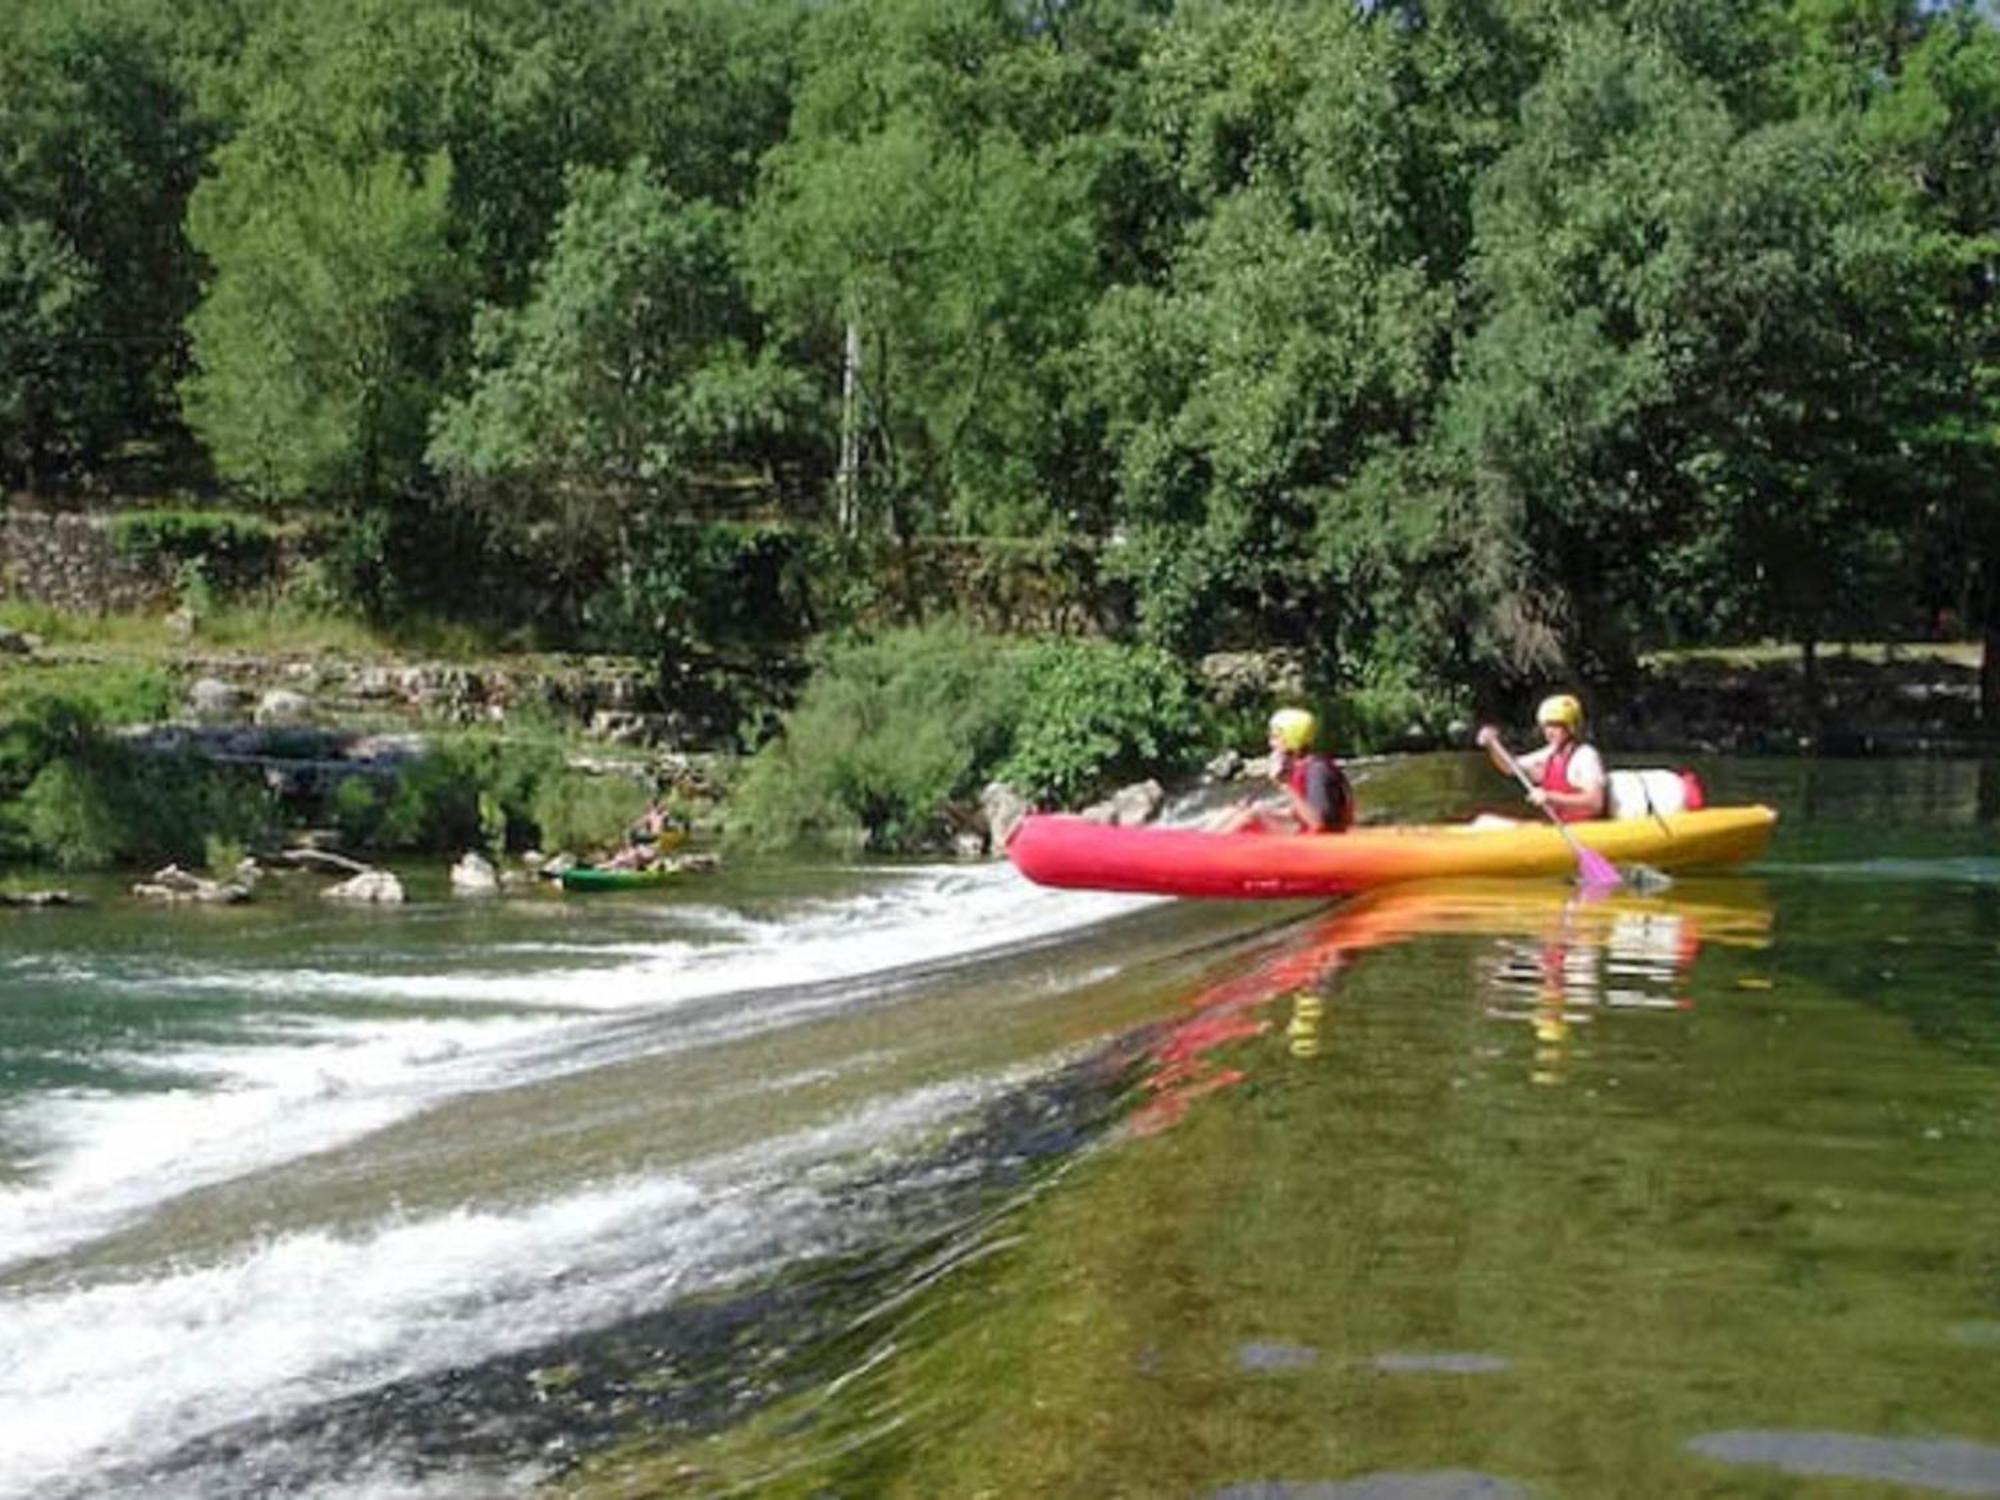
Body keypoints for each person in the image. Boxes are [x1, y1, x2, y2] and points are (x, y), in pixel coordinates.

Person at [1215, 708, 1353, 835]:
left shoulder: (1317, 770)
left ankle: (1207, 852)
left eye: (1275, 737)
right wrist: (1263, 809)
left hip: (1324, 844)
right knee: (1237, 812)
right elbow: (1299, 814)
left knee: (1249, 817)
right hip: (1311, 835)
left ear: (1292, 739)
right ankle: (1205, 843)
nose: (1270, 743)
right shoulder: (1300, 766)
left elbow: (1319, 823)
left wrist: (1284, 784)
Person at [1475, 693, 1606, 822]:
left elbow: (1595, 802)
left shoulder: (1586, 756)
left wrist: (1550, 797)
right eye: (1546, 725)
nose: (1549, 731)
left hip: (1582, 828)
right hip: (1554, 827)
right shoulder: (1549, 754)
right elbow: (1510, 767)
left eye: (1555, 725)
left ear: (1571, 727)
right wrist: (1492, 746)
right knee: (1485, 820)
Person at [601, 800, 674, 871]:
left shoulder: (662, 814)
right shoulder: (652, 814)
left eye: (650, 806)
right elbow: (641, 822)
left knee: (632, 835)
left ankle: (629, 851)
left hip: (654, 836)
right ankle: (628, 853)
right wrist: (631, 825)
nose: (647, 807)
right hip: (651, 836)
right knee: (632, 834)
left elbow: (664, 817)